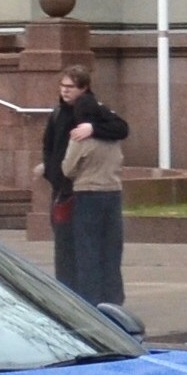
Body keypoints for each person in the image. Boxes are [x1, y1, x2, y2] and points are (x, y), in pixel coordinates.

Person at [42, 65, 126, 297]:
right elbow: (48, 147)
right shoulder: (58, 114)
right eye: (62, 86)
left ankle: (83, 297)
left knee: (85, 249)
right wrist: (52, 173)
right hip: (64, 188)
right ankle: (73, 295)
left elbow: (121, 128)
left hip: (81, 188)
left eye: (70, 87)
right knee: (66, 247)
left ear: (84, 88)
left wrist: (93, 128)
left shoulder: (92, 113)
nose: (65, 91)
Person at [61, 92, 128, 310]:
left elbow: (68, 169)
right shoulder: (113, 137)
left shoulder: (80, 138)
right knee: (111, 249)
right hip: (113, 192)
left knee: (87, 250)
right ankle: (114, 298)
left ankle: (90, 300)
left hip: (87, 193)